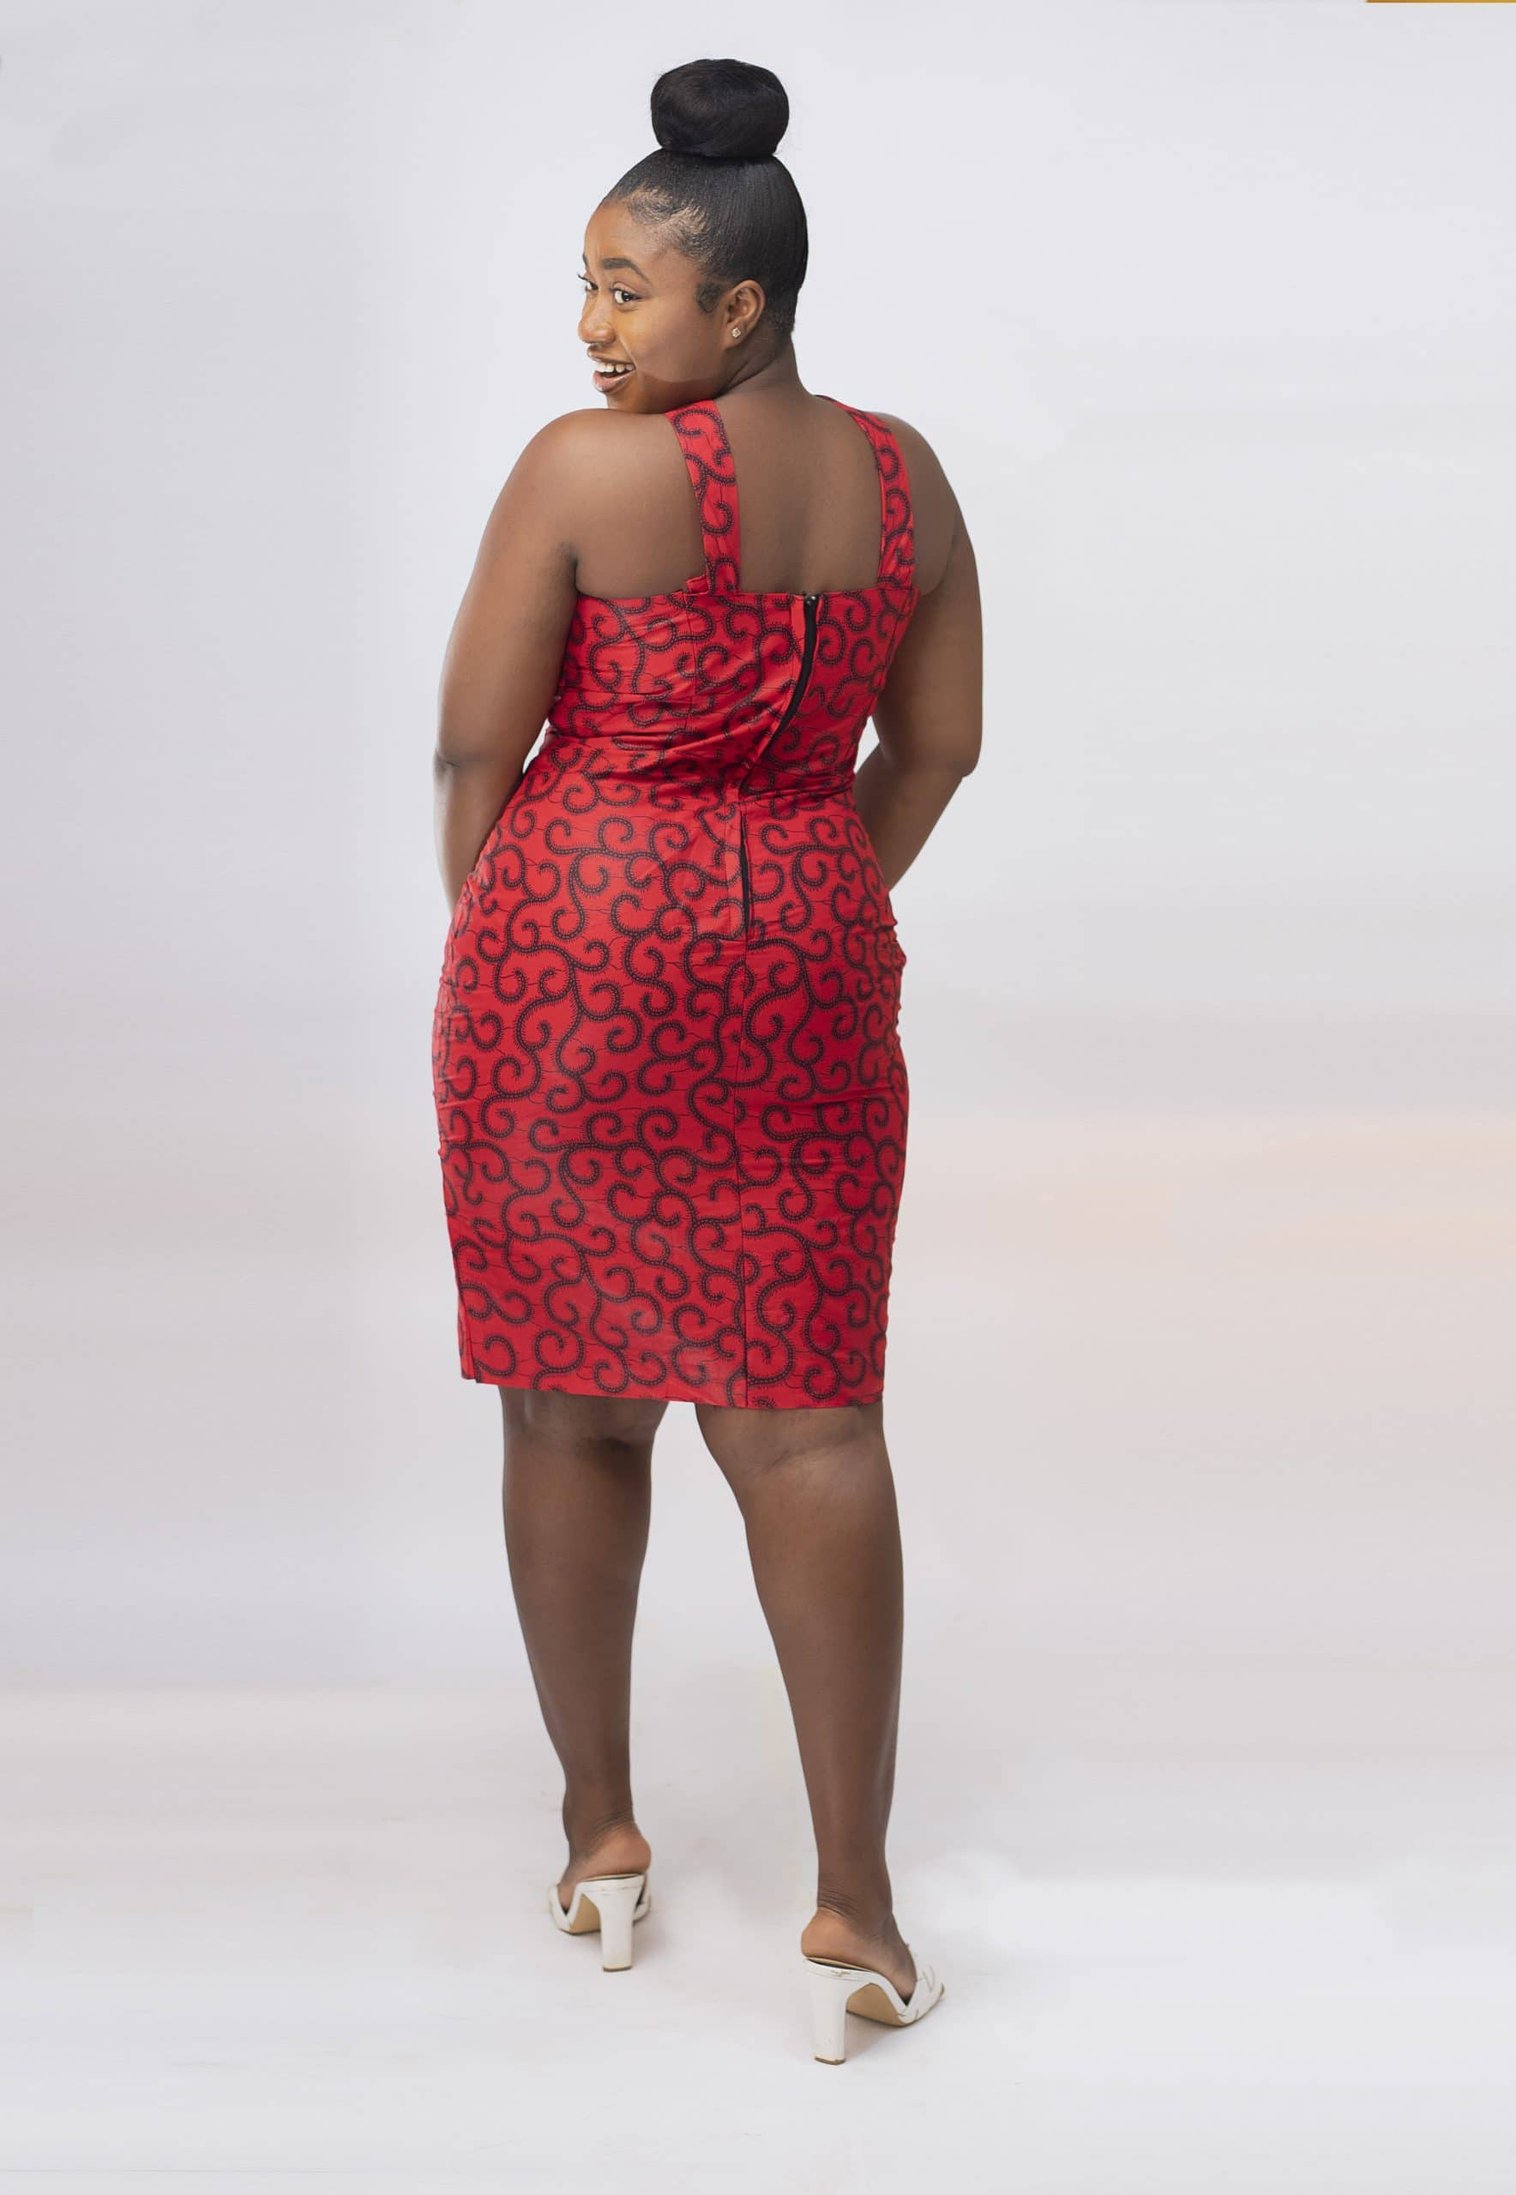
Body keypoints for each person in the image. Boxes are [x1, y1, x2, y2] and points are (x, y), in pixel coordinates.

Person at [431, 56, 982, 2061]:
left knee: (574, 1410)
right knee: (811, 1424)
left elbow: (474, 746)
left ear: (735, 302)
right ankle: (857, 1910)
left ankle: (600, 1840)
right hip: (811, 952)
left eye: (622, 287)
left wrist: (511, 942)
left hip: (573, 957)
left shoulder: (585, 474)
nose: (589, 326)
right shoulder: (907, 477)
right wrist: (807, 888)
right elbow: (940, 745)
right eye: (585, 284)